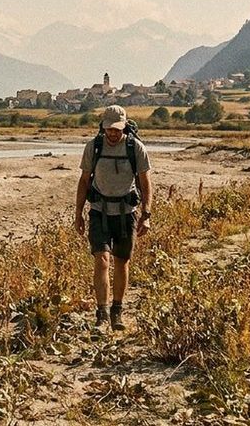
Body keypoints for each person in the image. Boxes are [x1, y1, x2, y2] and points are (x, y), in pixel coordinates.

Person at [73, 105, 152, 331]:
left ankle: (117, 310)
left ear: (125, 126)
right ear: (103, 127)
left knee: (122, 261)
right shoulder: (94, 147)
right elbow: (84, 181)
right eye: (109, 129)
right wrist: (78, 214)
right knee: (102, 260)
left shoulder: (135, 148)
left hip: (126, 214)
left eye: (117, 129)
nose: (113, 133)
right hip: (99, 212)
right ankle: (102, 315)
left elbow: (145, 184)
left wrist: (146, 215)